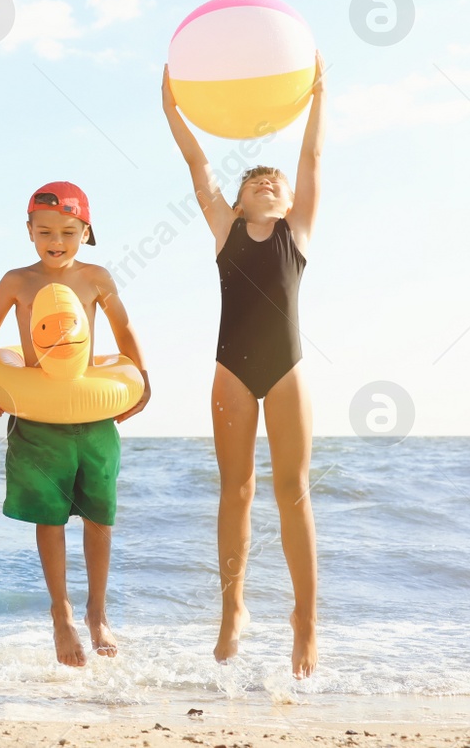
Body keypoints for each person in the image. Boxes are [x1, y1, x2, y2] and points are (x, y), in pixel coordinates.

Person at [161, 54, 326, 678]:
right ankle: (233, 609)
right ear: (236, 200)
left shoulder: (297, 232)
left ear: (288, 203)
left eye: (274, 183)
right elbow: (197, 164)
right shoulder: (224, 229)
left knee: (293, 492)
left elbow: (310, 160)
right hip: (231, 368)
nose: (266, 183)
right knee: (235, 490)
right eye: (254, 181)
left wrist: (317, 96)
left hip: (287, 368)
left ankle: (304, 622)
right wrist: (171, 107)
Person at [0, 182, 150, 667]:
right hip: (38, 419)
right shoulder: (17, 280)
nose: (57, 240)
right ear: (29, 231)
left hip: (91, 416)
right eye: (45, 230)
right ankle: (61, 613)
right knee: (49, 519)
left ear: (85, 232)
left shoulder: (95, 277)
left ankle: (97, 612)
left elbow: (124, 329)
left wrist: (142, 380)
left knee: (99, 517)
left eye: (68, 231)